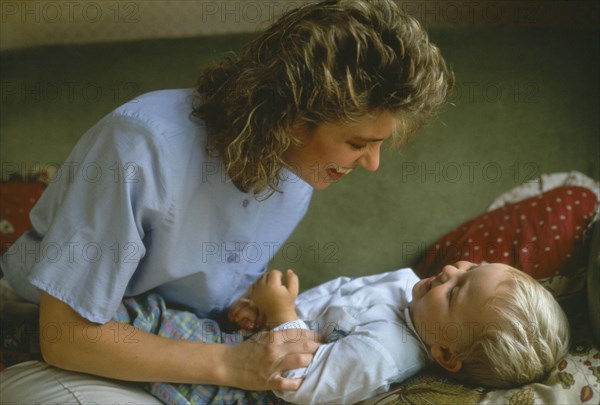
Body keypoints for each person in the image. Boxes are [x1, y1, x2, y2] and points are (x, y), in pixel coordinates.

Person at [0, 0, 453, 402]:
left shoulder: (296, 171)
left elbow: (201, 289)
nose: (371, 163)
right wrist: (230, 366)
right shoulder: (141, 147)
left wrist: (248, 307)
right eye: (358, 143)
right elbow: (67, 338)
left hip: (177, 356)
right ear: (292, 117)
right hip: (58, 350)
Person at [107, 261, 570, 404]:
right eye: (470, 265)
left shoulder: (386, 354)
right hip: (240, 342)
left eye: (455, 292)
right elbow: (336, 294)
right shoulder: (406, 287)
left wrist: (283, 309)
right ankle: (50, 321)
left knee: (147, 328)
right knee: (148, 313)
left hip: (237, 391)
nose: (450, 270)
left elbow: (300, 382)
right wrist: (267, 313)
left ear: (445, 353)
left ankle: (42, 332)